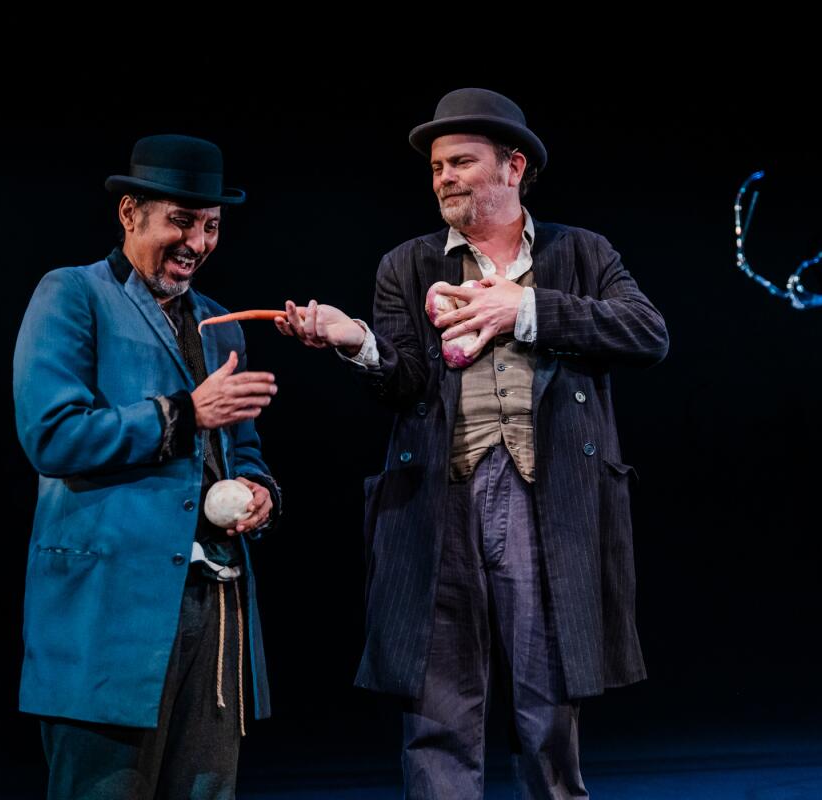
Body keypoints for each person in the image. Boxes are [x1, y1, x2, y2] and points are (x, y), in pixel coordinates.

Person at [278, 88, 668, 798]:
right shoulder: (407, 264)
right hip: (440, 499)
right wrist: (355, 340)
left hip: (544, 499)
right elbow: (402, 381)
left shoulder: (581, 254)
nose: (445, 177)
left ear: (512, 167)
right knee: (438, 710)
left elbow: (647, 333)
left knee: (547, 710)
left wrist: (524, 309)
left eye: (461, 162)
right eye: (436, 167)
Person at [13, 134, 280, 799]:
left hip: (214, 610)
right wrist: (185, 412)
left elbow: (241, 447)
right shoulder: (74, 295)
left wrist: (258, 488)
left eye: (211, 225)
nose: (198, 240)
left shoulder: (222, 323)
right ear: (130, 213)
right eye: (181, 221)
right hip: (110, 615)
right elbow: (53, 435)